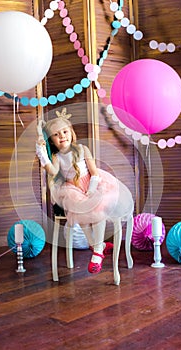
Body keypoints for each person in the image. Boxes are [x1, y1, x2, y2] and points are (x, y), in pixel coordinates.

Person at [36, 108, 134, 274]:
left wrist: (92, 189)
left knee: (98, 210)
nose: (62, 136)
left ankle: (97, 252)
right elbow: (52, 171)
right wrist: (42, 153)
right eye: (56, 135)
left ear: (71, 132)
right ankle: (98, 246)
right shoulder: (57, 157)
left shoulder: (82, 149)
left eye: (65, 132)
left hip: (92, 184)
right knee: (80, 213)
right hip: (73, 189)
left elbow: (94, 172)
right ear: (52, 141)